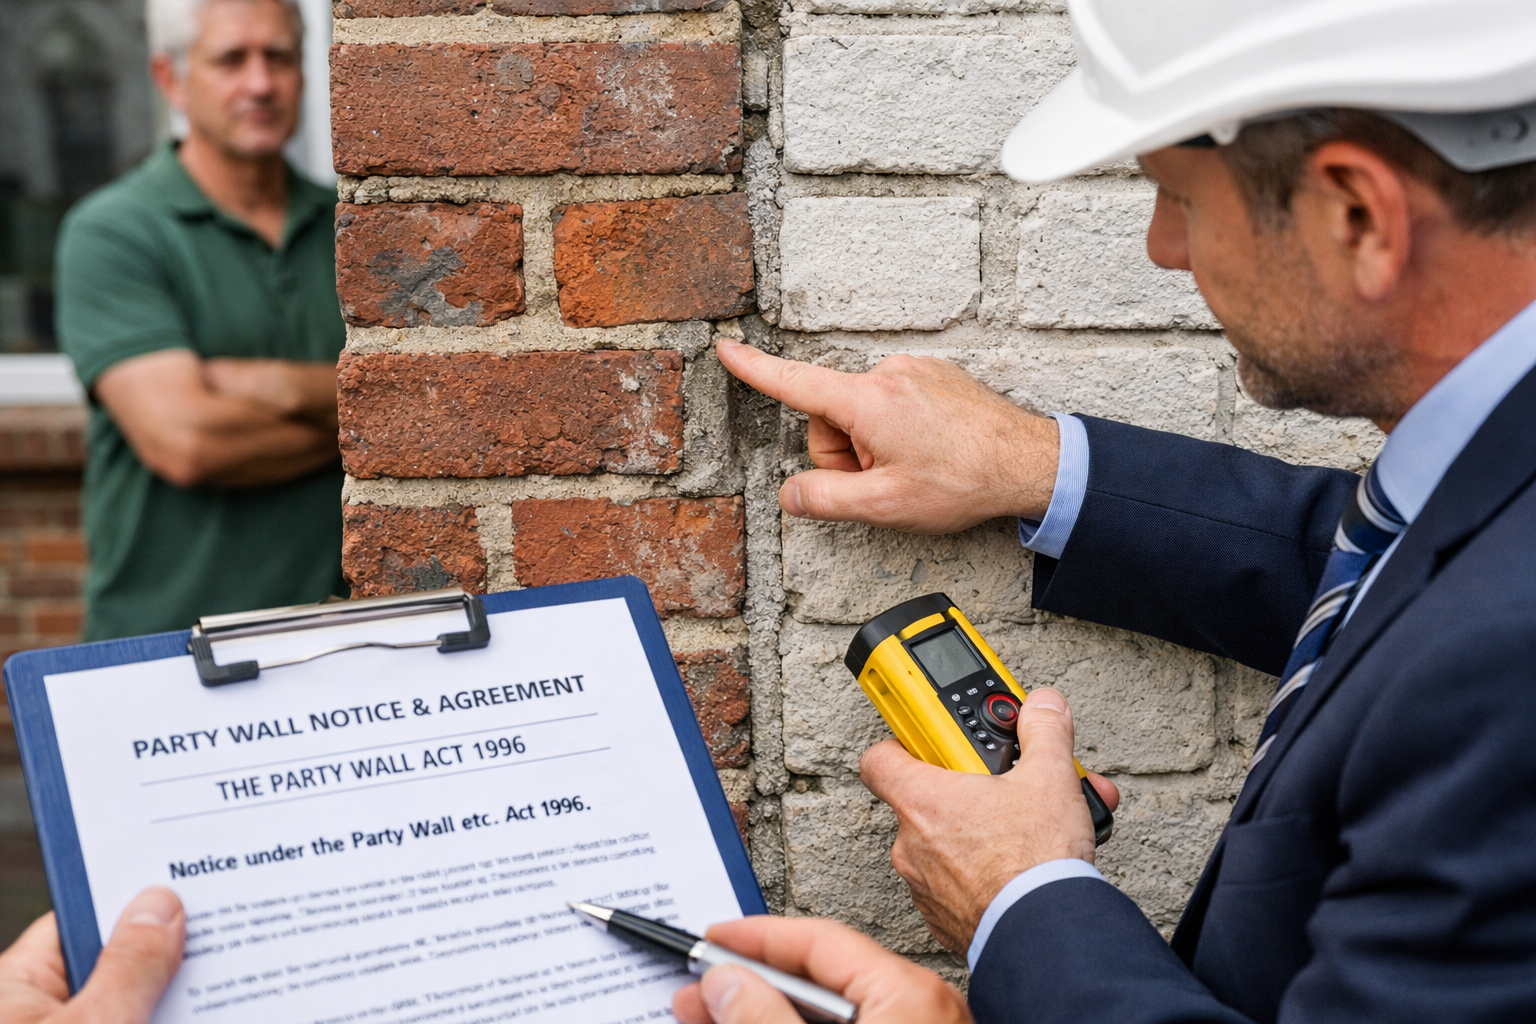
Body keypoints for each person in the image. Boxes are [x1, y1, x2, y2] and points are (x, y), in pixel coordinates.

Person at [695, 0, 1536, 1021]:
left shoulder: (1505, 666)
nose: (1162, 247)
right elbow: (1404, 578)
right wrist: (1032, 465)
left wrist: (1022, 897)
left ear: (1356, 215)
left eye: (1180, 196)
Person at [55, 0, 347, 641]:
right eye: (230, 60)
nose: (260, 84)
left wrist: (272, 387)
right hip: (168, 645)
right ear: (170, 79)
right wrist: (369, 427)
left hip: (339, 636)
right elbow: (187, 442)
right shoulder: (114, 233)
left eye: (279, 57)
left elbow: (420, 413)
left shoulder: (353, 228)